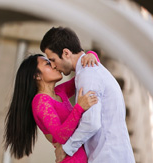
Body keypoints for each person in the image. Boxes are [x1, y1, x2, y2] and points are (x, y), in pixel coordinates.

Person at [41, 26, 136, 163]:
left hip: (108, 157)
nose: (54, 66)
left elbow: (92, 123)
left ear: (66, 53)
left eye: (53, 60)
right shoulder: (87, 72)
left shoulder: (88, 75)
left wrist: (66, 148)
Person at [3, 51, 100, 161]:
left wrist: (91, 55)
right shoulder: (40, 102)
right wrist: (79, 108)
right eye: (48, 64)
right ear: (37, 76)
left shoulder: (59, 92)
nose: (54, 65)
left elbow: (83, 74)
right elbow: (60, 136)